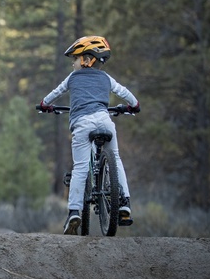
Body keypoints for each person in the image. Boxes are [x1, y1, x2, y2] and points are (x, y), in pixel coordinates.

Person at [38, 36, 140, 235]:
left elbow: (54, 93)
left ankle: (74, 211)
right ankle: (124, 203)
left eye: (75, 58)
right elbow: (126, 93)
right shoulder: (106, 78)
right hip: (105, 121)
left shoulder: (72, 78)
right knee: (116, 158)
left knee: (81, 167)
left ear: (86, 59)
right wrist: (133, 106)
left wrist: (44, 104)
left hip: (82, 123)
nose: (72, 63)